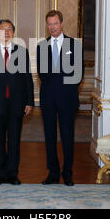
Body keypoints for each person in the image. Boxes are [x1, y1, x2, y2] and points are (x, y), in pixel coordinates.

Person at [0, 19, 34, 185]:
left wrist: (29, 101)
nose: (6, 32)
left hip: (17, 104)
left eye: (9, 29)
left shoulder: (22, 52)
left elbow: (27, 78)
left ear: (13, 32)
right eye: (3, 30)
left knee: (14, 141)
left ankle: (12, 174)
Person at [37, 10, 83, 186]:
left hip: (67, 98)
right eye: (49, 24)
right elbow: (42, 73)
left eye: (55, 24)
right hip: (48, 97)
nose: (52, 27)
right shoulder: (42, 46)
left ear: (61, 24)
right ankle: (53, 173)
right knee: (49, 137)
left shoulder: (74, 45)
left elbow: (78, 74)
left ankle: (68, 173)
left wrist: (63, 86)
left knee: (67, 136)